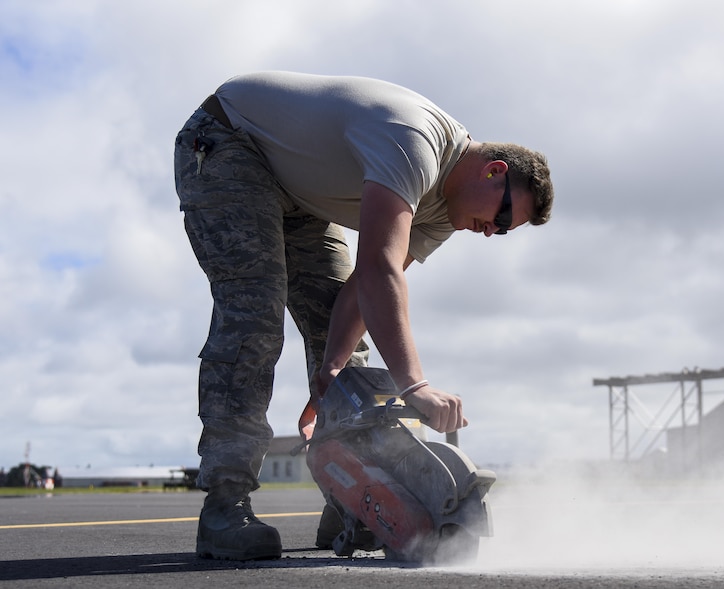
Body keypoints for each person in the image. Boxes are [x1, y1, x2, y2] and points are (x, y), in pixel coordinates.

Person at [173, 71, 554, 561]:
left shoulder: (447, 212)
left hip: (302, 194)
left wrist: (331, 364)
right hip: (230, 144)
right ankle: (226, 506)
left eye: (504, 233)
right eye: (502, 219)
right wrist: (414, 385)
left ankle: (356, 496)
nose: (491, 233)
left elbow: (361, 290)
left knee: (348, 348)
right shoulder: (416, 143)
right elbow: (377, 266)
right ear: (494, 171)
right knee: (255, 316)